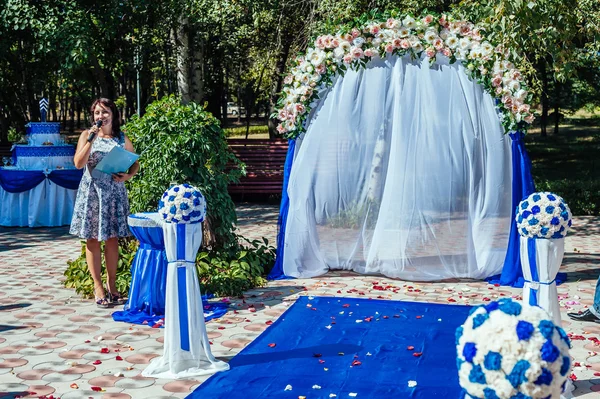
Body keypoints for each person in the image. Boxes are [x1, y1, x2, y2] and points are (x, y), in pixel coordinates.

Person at [70, 98, 139, 308]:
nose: (101, 116)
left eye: (105, 112)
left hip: (113, 193)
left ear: (113, 115)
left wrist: (127, 176)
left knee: (112, 239)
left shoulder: (120, 138)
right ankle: (97, 286)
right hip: (92, 193)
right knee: (92, 238)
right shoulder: (85, 135)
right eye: (97, 112)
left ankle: (112, 285)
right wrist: (91, 139)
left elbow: (134, 163)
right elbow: (78, 163)